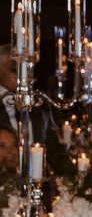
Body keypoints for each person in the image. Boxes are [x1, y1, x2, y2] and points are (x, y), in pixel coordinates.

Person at [0, 44, 73, 176]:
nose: (21, 75)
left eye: (24, 70)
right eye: (13, 70)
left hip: (37, 182)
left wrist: (74, 175)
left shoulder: (40, 101)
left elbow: (53, 149)